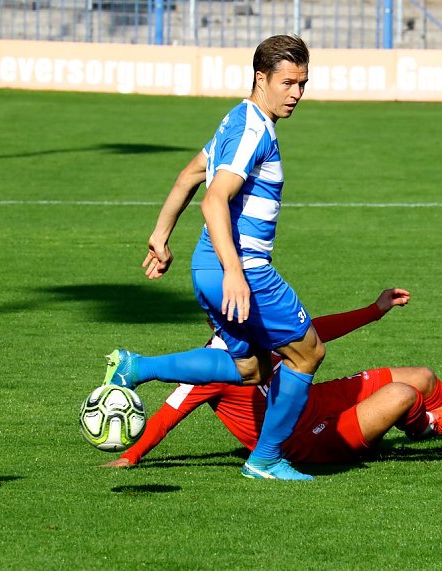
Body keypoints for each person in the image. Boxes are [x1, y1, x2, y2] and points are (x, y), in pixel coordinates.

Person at [103, 35, 325, 480]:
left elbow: (190, 175)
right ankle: (265, 460)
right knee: (307, 354)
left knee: (251, 367)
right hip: (241, 269)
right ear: (261, 78)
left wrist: (160, 236)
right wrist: (236, 272)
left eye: (303, 83)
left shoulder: (236, 118)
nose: (297, 94)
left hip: (207, 266)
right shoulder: (253, 130)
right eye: (288, 83)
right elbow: (213, 199)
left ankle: (136, 366)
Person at [103, 289, 442, 469]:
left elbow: (316, 331)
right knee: (401, 394)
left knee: (421, 376)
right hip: (305, 439)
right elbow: (170, 412)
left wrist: (374, 310)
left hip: (319, 402)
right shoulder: (211, 365)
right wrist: (132, 456)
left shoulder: (259, 329)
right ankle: (432, 427)